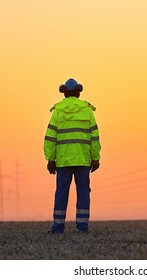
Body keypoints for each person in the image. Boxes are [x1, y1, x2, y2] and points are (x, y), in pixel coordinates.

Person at [44, 78, 101, 233]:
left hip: (63, 160)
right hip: (82, 159)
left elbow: (50, 137)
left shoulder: (58, 111)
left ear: (64, 93)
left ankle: (58, 228)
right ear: (78, 92)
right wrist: (95, 158)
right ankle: (82, 228)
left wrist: (50, 159)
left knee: (61, 192)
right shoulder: (87, 111)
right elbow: (94, 137)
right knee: (83, 192)